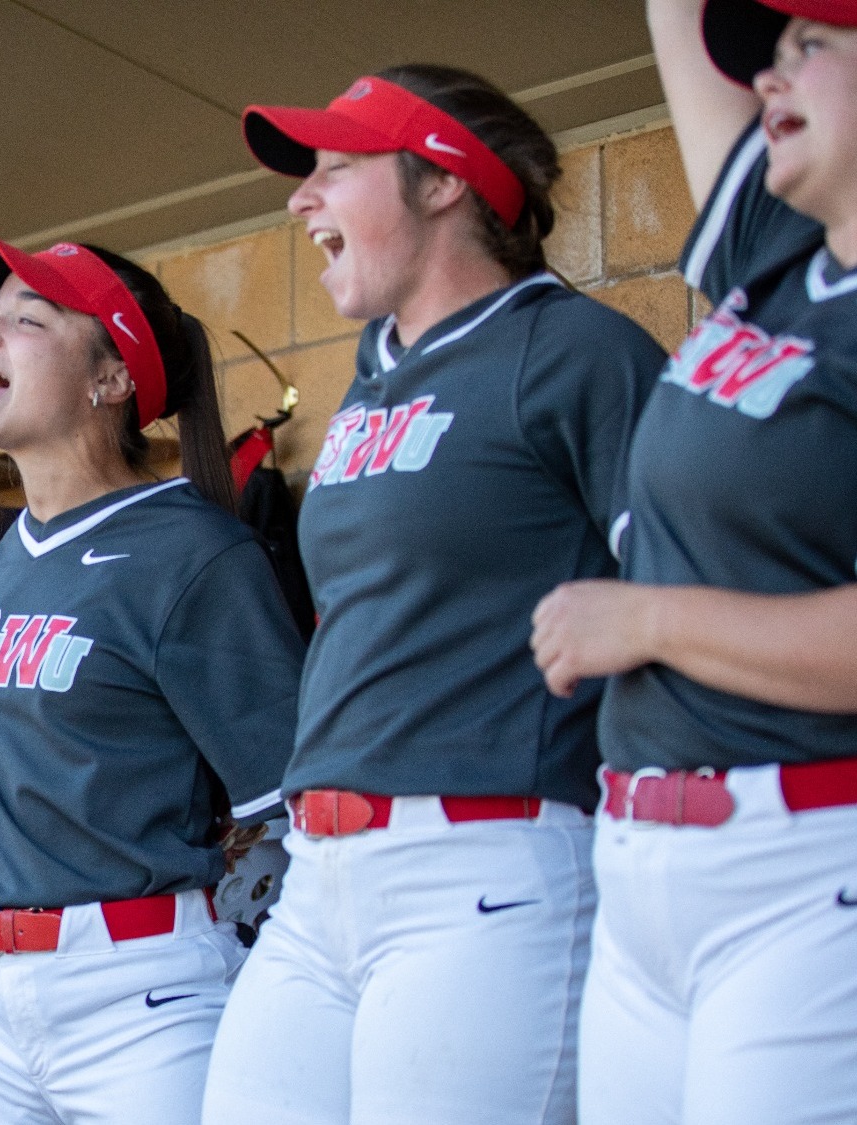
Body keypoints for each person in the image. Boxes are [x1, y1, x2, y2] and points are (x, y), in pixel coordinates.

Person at [202, 65, 669, 1125]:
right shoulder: (374, 372)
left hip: (486, 859)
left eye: (336, 167)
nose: (300, 199)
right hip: (320, 870)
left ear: (445, 179)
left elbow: (689, 594)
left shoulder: (575, 349)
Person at [530, 4, 857, 1121]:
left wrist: (648, 621)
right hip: (646, 864)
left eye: (812, 48)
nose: (769, 78)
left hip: (823, 869)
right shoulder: (779, 259)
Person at [0, 228, 304, 1125]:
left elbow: (290, 807)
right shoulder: (4, 557)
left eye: (26, 320)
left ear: (111, 380)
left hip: (140, 992)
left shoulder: (196, 550)